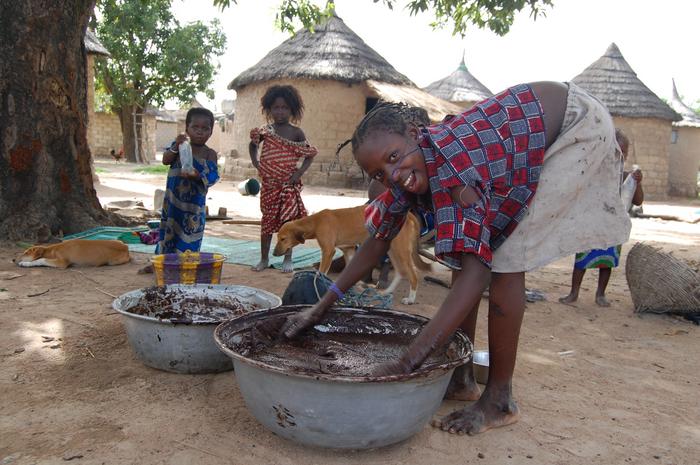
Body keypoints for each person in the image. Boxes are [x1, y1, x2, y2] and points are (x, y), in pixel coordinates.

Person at [280, 82, 632, 435]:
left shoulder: (454, 170)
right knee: (465, 256)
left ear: (417, 134)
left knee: (504, 259)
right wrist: (321, 306)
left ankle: (499, 400)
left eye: (392, 159)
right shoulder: (411, 165)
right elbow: (377, 241)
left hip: (574, 126)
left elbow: (477, 276)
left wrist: (407, 360)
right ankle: (461, 375)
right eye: (379, 175)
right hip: (529, 129)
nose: (393, 176)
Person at [559, 128, 644, 306]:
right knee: (582, 258)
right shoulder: (595, 172)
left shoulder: (627, 177)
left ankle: (600, 294)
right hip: (591, 223)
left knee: (607, 261)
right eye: (616, 151)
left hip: (613, 226)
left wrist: (638, 182)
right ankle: (574, 292)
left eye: (624, 152)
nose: (620, 156)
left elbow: (637, 201)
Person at [138, 107, 219, 274]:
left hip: (193, 209)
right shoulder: (181, 147)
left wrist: (197, 176)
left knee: (189, 240)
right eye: (195, 127)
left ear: (211, 132)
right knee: (167, 236)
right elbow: (165, 160)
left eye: (205, 129)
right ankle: (159, 265)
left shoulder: (210, 154)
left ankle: (185, 269)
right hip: (172, 205)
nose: (200, 132)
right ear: (186, 129)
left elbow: (213, 176)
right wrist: (176, 145)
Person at [249, 85, 318, 273]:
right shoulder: (266, 131)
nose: (280, 111)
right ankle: (264, 259)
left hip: (288, 186)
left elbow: (310, 154)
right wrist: (256, 162)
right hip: (269, 186)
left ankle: (288, 259)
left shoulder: (297, 133)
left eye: (285, 107)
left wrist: (298, 174)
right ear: (269, 109)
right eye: (276, 107)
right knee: (267, 223)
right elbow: (252, 145)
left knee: (289, 224)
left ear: (292, 109)